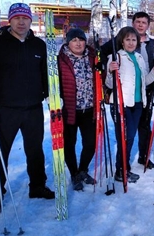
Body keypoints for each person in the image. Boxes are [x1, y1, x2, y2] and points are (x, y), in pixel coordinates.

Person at [0, 3, 54, 219]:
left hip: (33, 109)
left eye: (25, 18)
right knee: (0, 153)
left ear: (31, 21)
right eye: (17, 18)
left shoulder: (39, 46)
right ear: (9, 20)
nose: (21, 22)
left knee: (35, 150)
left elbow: (46, 74)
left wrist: (50, 93)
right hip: (6, 110)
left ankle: (37, 186)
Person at [105, 27, 154, 183]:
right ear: (122, 41)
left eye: (134, 39)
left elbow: (145, 81)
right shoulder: (116, 57)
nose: (131, 42)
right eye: (127, 39)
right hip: (121, 103)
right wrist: (110, 71)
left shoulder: (139, 58)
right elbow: (109, 84)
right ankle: (121, 170)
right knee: (125, 137)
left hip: (137, 104)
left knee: (129, 137)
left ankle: (123, 168)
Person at [58, 27, 97, 191]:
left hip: (90, 109)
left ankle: (83, 170)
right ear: (68, 42)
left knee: (90, 143)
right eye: (74, 40)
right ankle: (74, 173)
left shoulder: (93, 57)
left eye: (81, 39)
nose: (78, 43)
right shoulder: (60, 60)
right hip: (70, 109)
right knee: (69, 144)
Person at [132, 12, 154, 169]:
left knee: (145, 124)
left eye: (144, 22)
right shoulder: (126, 39)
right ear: (133, 23)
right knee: (130, 125)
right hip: (131, 89)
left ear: (148, 25)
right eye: (138, 22)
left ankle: (144, 156)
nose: (141, 25)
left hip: (148, 86)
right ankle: (124, 159)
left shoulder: (152, 43)